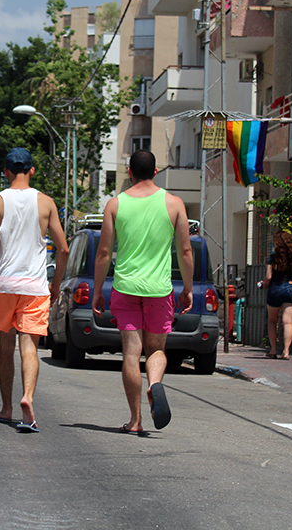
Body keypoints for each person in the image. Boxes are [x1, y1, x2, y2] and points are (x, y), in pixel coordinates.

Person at [92, 150, 193, 434]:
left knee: (130, 354)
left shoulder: (115, 204)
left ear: (129, 172)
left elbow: (103, 251)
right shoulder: (173, 203)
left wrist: (98, 290)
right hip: (159, 290)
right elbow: (185, 250)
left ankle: (135, 420)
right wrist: (187, 288)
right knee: (157, 349)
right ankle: (156, 383)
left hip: (125, 287)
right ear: (156, 171)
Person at [0, 147, 68, 433]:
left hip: (3, 284)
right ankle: (27, 397)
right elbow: (62, 248)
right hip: (35, 286)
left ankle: (6, 408)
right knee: (30, 347)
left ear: (5, 171)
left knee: (5, 347)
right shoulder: (46, 203)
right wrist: (55, 284)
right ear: (32, 171)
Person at [260, 230, 292, 360]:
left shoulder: (272, 258)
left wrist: (264, 285)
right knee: (288, 322)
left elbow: (269, 277)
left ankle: (273, 350)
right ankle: (286, 351)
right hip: (290, 288)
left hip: (275, 288)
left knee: (272, 321)